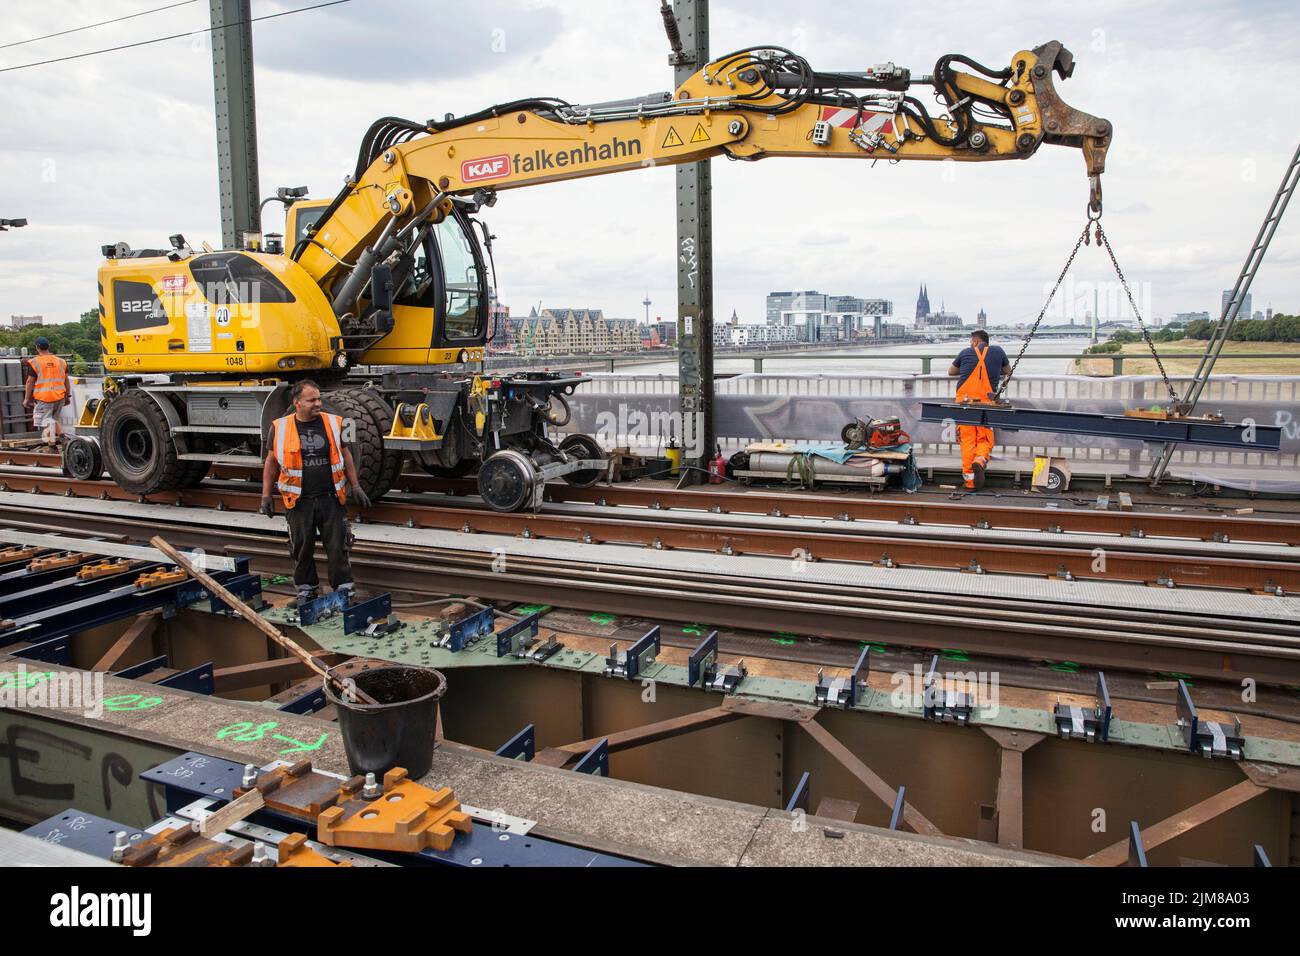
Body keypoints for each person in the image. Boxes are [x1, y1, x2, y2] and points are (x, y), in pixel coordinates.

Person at [260, 380, 372, 605]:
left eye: (319, 399)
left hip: (331, 498)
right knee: (301, 549)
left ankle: (343, 590)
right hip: (299, 501)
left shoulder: (335, 423)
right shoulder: (279, 427)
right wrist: (265, 496)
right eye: (312, 400)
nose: (318, 403)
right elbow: (271, 462)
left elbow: (346, 454)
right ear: (297, 402)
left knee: (338, 547)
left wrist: (356, 485)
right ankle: (307, 590)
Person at [947, 329, 1011, 490]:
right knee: (985, 439)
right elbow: (1007, 371)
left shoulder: (966, 352)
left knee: (967, 440)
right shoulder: (998, 351)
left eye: (971, 341)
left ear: (975, 341)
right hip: (987, 403)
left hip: (965, 403)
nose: (970, 344)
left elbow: (951, 372)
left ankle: (969, 481)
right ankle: (980, 461)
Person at [23, 337, 71, 447]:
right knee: (53, 420)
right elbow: (66, 380)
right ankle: (55, 443)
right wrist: (68, 396)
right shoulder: (61, 362)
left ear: (37, 348)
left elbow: (30, 381)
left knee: (47, 422)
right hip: (59, 396)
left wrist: (26, 399)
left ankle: (59, 440)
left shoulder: (34, 362)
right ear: (48, 347)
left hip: (44, 398)